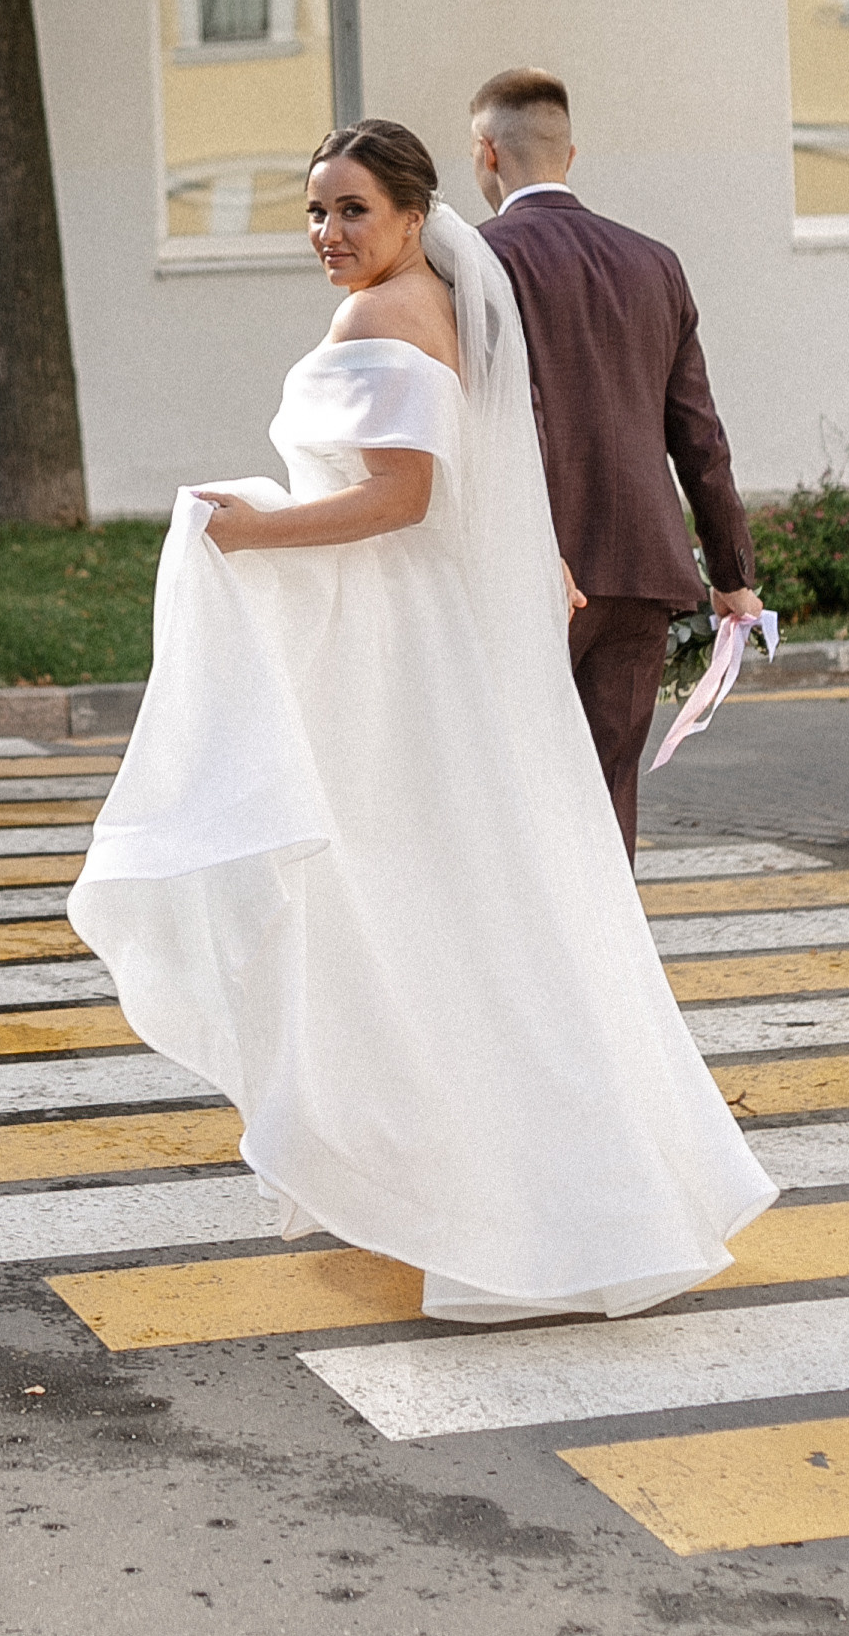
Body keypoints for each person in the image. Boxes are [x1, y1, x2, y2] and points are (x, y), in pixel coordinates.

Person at [69, 119, 775, 1326]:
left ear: (413, 212)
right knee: (450, 898)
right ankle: (477, 1164)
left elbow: (399, 495)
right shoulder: (438, 306)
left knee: (405, 902)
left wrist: (240, 527)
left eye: (350, 209)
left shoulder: (385, 319)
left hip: (394, 656)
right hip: (415, 643)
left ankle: (477, 1185)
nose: (326, 234)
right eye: (314, 212)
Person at [471, 68, 762, 862]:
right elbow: (698, 434)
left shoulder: (476, 259)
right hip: (641, 569)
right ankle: (609, 977)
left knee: (506, 787)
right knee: (605, 793)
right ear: (571, 152)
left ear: (484, 153)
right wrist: (732, 571)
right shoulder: (654, 263)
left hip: (532, 567)